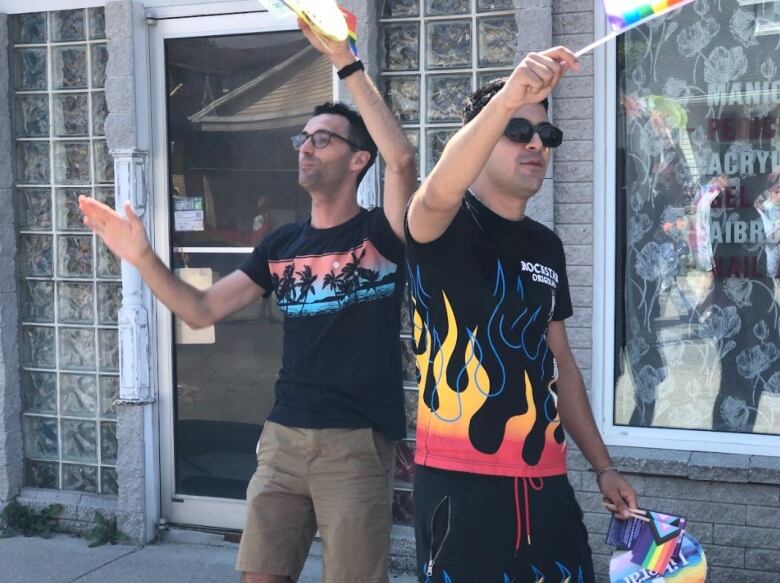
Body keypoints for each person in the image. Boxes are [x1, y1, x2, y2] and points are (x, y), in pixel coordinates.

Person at [79, 19, 417, 583]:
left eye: (323, 139)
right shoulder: (280, 244)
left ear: (359, 160)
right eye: (302, 138)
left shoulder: (381, 235)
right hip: (283, 437)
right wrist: (141, 258)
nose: (306, 147)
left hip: (355, 445)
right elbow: (200, 310)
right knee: (260, 575)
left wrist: (346, 62)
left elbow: (402, 161)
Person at [404, 47, 638, 582]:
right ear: (483, 139)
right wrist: (512, 91)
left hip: (545, 483)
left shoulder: (546, 247)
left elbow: (562, 366)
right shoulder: (439, 223)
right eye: (517, 130)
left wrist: (604, 467)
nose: (536, 144)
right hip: (460, 486)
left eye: (547, 136)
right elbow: (439, 187)